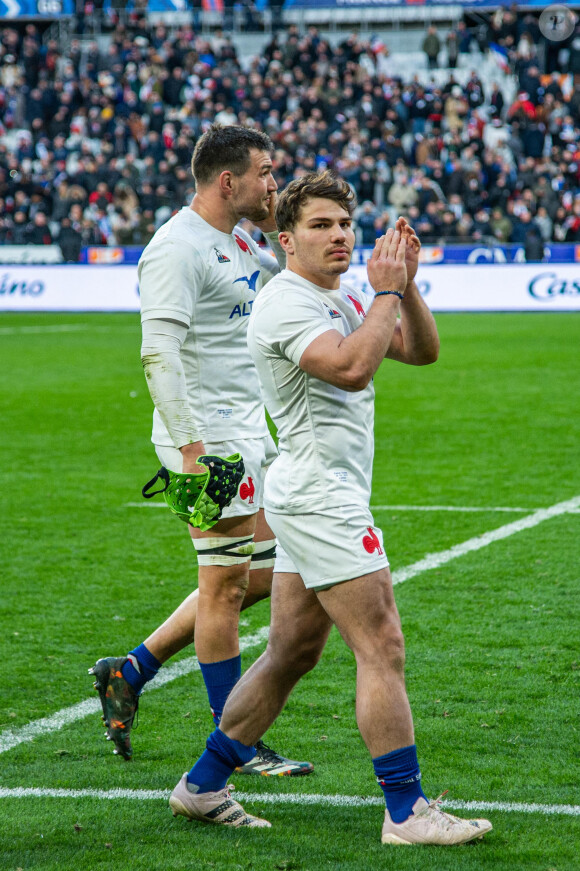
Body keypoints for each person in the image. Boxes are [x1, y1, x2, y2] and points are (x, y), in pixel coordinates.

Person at [167, 171, 493, 845]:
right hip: (322, 501)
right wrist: (385, 292)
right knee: (382, 645)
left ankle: (201, 785)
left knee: (290, 651)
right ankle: (405, 811)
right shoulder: (286, 302)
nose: (338, 234)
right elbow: (350, 367)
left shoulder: (339, 295)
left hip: (312, 494)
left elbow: (420, 350)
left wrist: (406, 281)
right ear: (286, 239)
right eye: (320, 225)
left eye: (344, 223)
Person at [89, 125, 314, 777]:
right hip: (208, 444)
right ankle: (235, 741)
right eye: (265, 172)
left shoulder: (238, 237)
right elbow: (158, 352)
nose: (274, 182)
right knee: (223, 587)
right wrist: (190, 450)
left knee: (263, 576)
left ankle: (130, 669)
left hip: (251, 433)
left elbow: (288, 285)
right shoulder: (175, 249)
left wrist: (275, 226)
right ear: (227, 181)